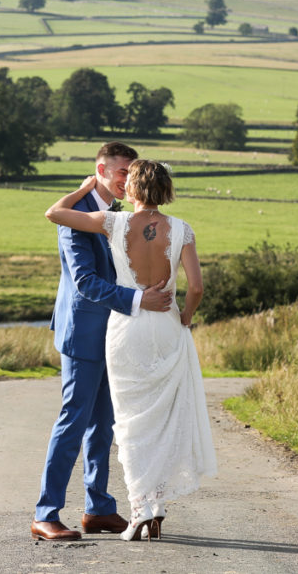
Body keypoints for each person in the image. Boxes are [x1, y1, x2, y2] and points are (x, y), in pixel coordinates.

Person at [45, 159, 217, 541]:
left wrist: (84, 186)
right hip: (168, 326)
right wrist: (186, 316)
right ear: (167, 190)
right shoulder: (183, 229)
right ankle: (156, 507)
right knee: (160, 420)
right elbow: (197, 289)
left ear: (134, 190)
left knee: (129, 421)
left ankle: (138, 509)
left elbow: (54, 213)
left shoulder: (113, 222)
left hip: (127, 329)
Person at [32, 143, 173, 542]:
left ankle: (98, 509)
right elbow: (85, 282)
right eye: (121, 171)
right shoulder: (74, 218)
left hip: (115, 334)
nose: (128, 179)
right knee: (72, 422)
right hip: (82, 331)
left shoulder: (119, 215)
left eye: (132, 172)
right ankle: (45, 514)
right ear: (100, 169)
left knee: (104, 425)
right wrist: (138, 300)